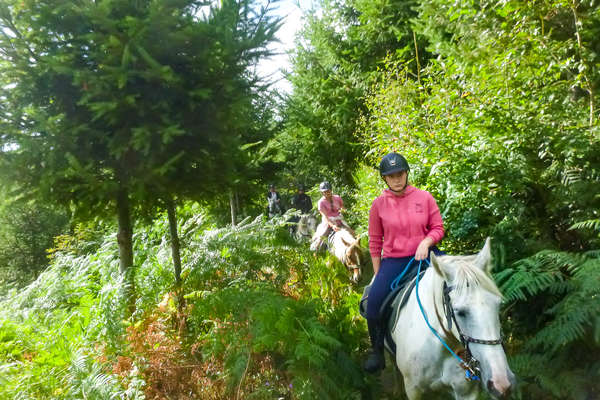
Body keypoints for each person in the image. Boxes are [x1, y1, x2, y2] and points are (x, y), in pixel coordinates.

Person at [364, 153, 444, 373]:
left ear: (406, 173)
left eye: (400, 174)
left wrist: (426, 242)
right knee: (372, 306)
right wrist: (378, 274)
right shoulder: (378, 205)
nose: (396, 179)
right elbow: (374, 241)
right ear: (385, 179)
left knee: (461, 282)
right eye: (391, 176)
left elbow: (438, 228)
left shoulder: (424, 197)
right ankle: (377, 352)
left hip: (426, 254)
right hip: (395, 261)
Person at [311, 181, 354, 251]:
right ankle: (316, 250)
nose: (326, 193)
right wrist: (332, 225)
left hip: (339, 220)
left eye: (328, 191)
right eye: (324, 192)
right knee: (322, 237)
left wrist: (347, 211)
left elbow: (342, 207)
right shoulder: (321, 202)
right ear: (322, 193)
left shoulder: (337, 198)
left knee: (352, 232)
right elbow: (325, 216)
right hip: (328, 222)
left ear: (331, 190)